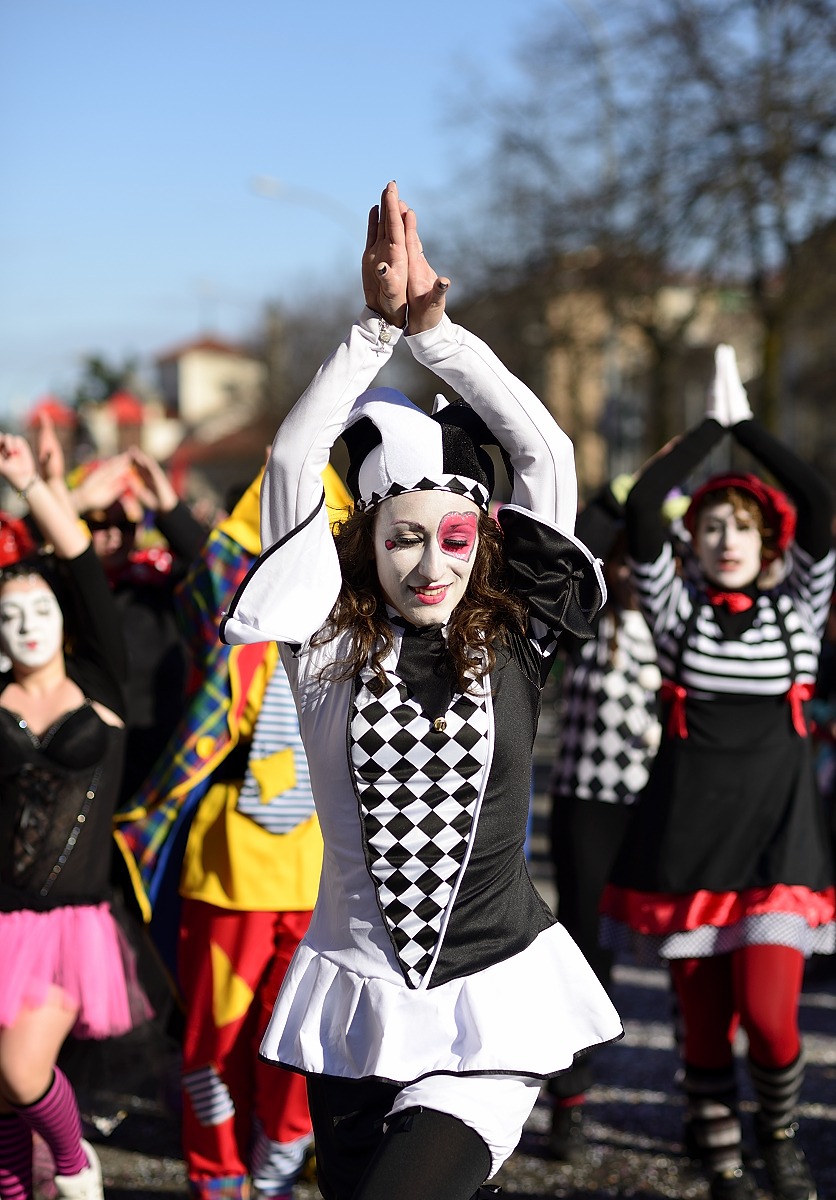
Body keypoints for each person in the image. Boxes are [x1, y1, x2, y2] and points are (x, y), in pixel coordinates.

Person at [220, 182, 623, 1200]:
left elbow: (544, 453)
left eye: (452, 539)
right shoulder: (320, 646)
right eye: (403, 538)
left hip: (492, 1004)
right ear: (365, 541)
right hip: (353, 1014)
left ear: (481, 542)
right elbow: (290, 457)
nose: (430, 563)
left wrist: (433, 333)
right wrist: (365, 334)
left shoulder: (517, 634)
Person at [600, 346, 836, 1200]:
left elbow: (817, 501)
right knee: (701, 1029)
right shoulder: (675, 609)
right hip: (689, 848)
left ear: (766, 539)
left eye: (741, 526)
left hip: (779, 851)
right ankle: (722, 1156)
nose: (726, 539)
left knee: (774, 1024)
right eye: (710, 526)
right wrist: (707, 430)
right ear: (692, 542)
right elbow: (639, 513)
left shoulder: (800, 608)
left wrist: (747, 430)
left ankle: (777, 1136)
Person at [116, 464, 347, 1200]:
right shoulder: (231, 625)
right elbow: (220, 565)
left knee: (298, 1041)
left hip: (318, 878)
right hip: (228, 870)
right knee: (212, 1041)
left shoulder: (354, 643)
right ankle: (217, 1172)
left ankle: (282, 1157)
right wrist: (176, 511)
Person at [0, 432, 151, 1200]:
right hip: (0, 919)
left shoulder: (101, 684)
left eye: (39, 609)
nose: (26, 625)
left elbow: (85, 571)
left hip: (69, 929)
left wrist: (32, 486)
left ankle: (73, 1164)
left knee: (21, 1069)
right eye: (9, 614)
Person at [546, 475, 662, 1162]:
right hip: (587, 807)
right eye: (613, 560)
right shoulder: (584, 625)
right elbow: (572, 548)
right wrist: (624, 494)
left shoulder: (675, 621)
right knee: (586, 948)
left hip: (655, 810)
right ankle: (571, 1099)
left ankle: (708, 1106)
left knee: (666, 952)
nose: (625, 571)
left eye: (633, 560)